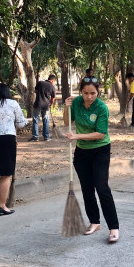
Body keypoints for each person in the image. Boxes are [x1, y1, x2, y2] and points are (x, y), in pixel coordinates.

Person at [63, 77, 120, 243]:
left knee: (102, 188)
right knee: (87, 189)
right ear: (81, 91)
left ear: (98, 92)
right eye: (86, 93)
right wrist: (66, 108)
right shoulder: (76, 102)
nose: (89, 97)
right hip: (82, 152)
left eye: (93, 93)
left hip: (100, 151)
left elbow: (101, 133)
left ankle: (113, 227)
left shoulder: (101, 107)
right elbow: (67, 122)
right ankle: (95, 222)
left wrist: (77, 136)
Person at [0, 83, 28, 218]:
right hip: (6, 139)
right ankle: (1, 206)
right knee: (6, 174)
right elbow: (20, 123)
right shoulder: (13, 104)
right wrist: (26, 121)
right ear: (7, 93)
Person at [29, 75, 56, 142]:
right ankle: (46, 137)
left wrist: (41, 92)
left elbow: (35, 91)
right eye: (54, 82)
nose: (54, 83)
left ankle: (35, 137)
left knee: (35, 120)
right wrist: (51, 104)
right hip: (46, 105)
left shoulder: (40, 83)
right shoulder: (52, 87)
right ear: (52, 80)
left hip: (37, 104)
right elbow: (53, 98)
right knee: (46, 121)